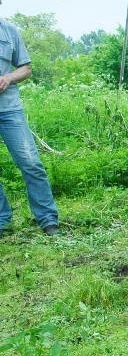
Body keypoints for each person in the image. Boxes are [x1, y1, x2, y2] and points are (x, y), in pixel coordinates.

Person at [0, 16, 59, 237]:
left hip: (9, 109)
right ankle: (2, 221)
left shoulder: (9, 30)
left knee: (31, 162)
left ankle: (47, 219)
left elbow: (25, 68)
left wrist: (8, 78)